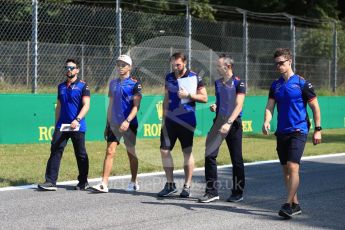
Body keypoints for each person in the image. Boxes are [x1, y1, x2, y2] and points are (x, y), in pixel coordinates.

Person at [262, 48, 322, 219]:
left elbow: (315, 107)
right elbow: (270, 106)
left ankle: (287, 204)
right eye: (276, 64)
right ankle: (295, 204)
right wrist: (266, 120)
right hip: (282, 131)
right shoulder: (275, 85)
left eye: (281, 63)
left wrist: (318, 130)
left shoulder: (302, 83)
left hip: (299, 130)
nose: (278, 66)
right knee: (285, 171)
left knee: (293, 166)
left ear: (290, 61)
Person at [157, 52, 208, 198]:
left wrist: (189, 96)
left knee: (186, 152)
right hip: (170, 120)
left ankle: (187, 185)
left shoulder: (194, 77)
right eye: (173, 64)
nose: (175, 67)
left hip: (187, 120)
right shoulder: (169, 76)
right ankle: (170, 184)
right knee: (164, 150)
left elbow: (205, 97)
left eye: (178, 64)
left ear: (184, 62)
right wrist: (163, 118)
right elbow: (166, 97)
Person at [198, 54, 246, 203]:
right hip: (218, 122)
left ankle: (238, 192)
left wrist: (229, 123)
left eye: (219, 66)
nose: (217, 69)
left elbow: (238, 105)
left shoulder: (239, 83)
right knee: (209, 155)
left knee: (236, 159)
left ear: (228, 66)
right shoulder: (218, 83)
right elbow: (224, 102)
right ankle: (212, 192)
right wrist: (216, 106)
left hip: (233, 123)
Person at [91, 54, 142, 193]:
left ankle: (133, 181)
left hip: (129, 124)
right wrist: (107, 124)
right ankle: (104, 183)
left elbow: (136, 106)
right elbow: (111, 104)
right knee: (109, 151)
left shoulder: (135, 84)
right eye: (118, 64)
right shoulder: (113, 83)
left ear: (129, 67)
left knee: (131, 153)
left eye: (123, 65)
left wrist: (127, 121)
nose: (120, 67)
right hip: (114, 123)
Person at [38, 58, 90, 191]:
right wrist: (56, 126)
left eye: (72, 68)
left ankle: (83, 182)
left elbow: (86, 105)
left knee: (80, 153)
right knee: (55, 150)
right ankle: (50, 181)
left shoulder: (83, 86)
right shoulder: (60, 86)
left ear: (77, 70)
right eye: (67, 68)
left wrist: (77, 119)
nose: (69, 70)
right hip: (62, 125)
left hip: (77, 125)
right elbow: (59, 107)